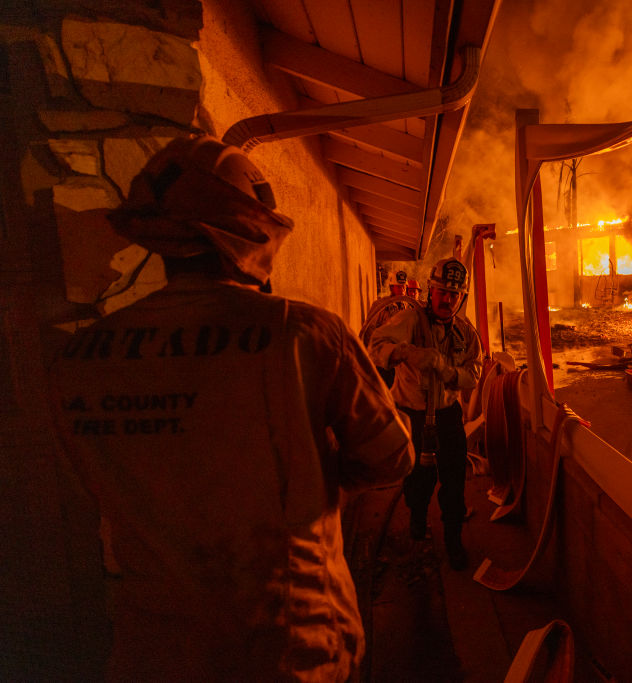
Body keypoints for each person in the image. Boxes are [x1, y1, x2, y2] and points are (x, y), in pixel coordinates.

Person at [47, 135, 414, 681]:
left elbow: (92, 482)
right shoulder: (305, 334)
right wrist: (316, 472)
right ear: (251, 229)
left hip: (154, 654)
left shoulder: (77, 359)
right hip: (292, 648)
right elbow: (393, 459)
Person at [369, 257, 482, 570]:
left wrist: (448, 372)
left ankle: (453, 541)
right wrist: (407, 352)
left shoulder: (465, 333)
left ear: (462, 298)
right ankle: (417, 525)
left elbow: (474, 372)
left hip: (447, 416)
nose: (447, 299)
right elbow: (376, 345)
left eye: (454, 294)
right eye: (442, 291)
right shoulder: (410, 320)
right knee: (417, 480)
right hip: (414, 416)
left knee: (454, 481)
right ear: (430, 291)